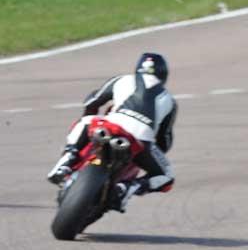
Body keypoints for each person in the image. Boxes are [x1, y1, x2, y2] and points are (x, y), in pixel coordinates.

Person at [46, 53, 177, 212]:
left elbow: (92, 101)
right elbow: (164, 140)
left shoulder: (122, 80)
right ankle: (130, 187)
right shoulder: (170, 100)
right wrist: (151, 155)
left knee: (86, 121)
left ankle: (69, 157)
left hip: (110, 125)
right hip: (141, 140)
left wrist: (89, 118)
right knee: (167, 176)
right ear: (164, 75)